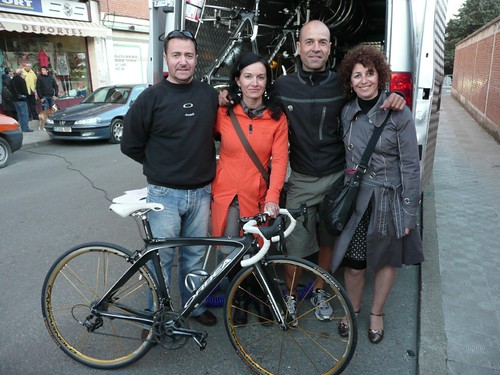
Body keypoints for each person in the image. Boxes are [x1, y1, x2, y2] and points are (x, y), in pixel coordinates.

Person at [221, 20, 406, 322]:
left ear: (331, 47)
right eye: (309, 42)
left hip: (338, 178)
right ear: (299, 47)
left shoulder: (342, 84)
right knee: (295, 245)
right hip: (303, 179)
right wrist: (226, 97)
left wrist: (391, 95)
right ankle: (292, 294)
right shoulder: (281, 86)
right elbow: (253, 104)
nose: (316, 48)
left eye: (322, 42)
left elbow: (369, 96)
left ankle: (320, 288)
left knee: (328, 240)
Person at [121, 29, 219, 326]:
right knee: (161, 260)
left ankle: (194, 305)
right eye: (176, 55)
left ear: (196, 59)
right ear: (166, 58)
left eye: (188, 55)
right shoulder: (150, 98)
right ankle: (156, 316)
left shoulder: (209, 95)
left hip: (201, 193)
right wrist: (160, 166)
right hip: (163, 194)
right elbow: (130, 144)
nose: (183, 61)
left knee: (194, 256)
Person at [332, 45, 424, 344]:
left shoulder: (399, 113)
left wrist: (410, 212)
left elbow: (411, 166)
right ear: (350, 80)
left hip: (389, 200)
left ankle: (377, 313)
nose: (363, 80)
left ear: (380, 75)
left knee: (386, 262)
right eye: (357, 75)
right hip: (359, 199)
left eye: (369, 73)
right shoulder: (347, 111)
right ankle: (352, 310)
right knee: (355, 263)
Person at [211, 52, 288, 325]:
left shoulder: (276, 118)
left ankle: (260, 297)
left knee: (259, 251)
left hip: (258, 196)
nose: (254, 83)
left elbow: (279, 161)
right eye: (248, 76)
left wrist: (273, 197)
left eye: (260, 77)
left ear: (267, 82)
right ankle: (240, 297)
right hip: (227, 195)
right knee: (233, 252)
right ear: (237, 80)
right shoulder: (223, 112)